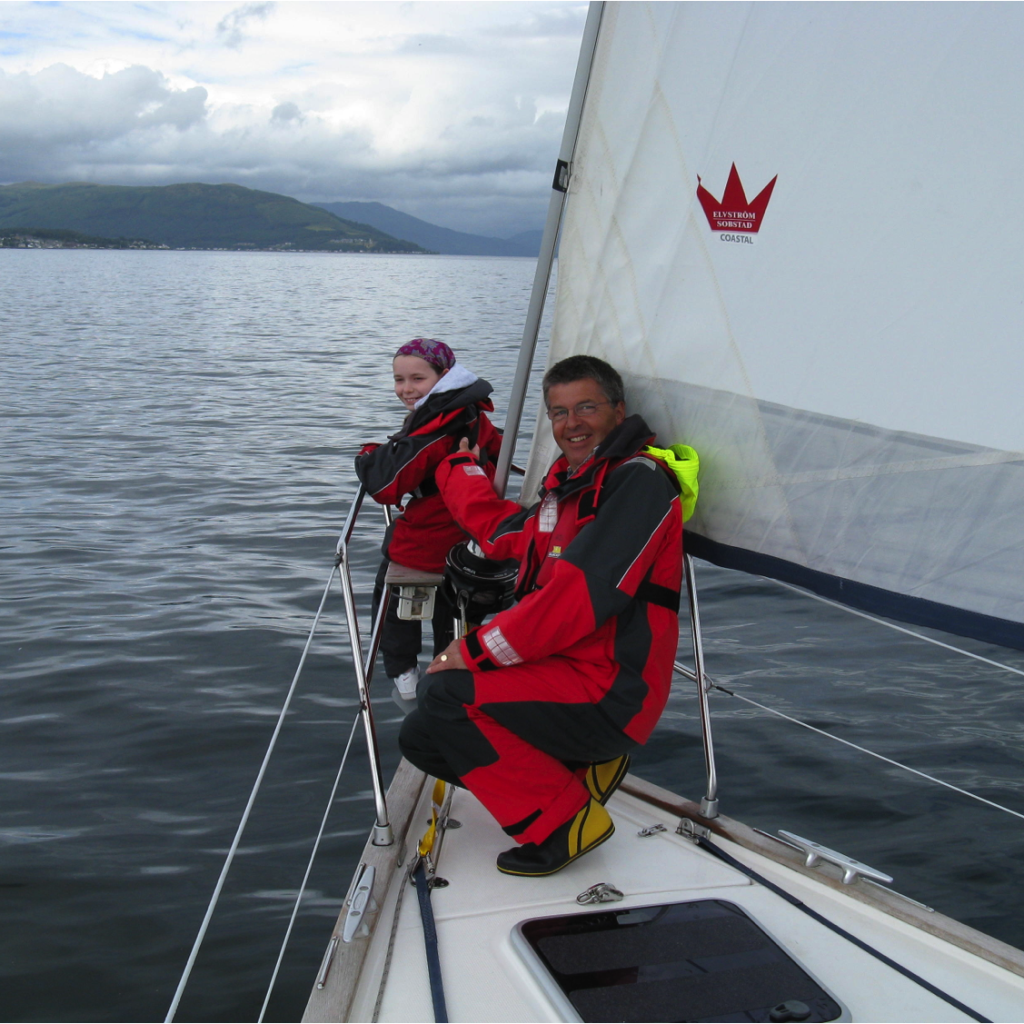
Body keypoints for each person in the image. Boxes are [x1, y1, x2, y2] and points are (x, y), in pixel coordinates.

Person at [399, 355, 698, 876]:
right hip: (564, 675)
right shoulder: (571, 488)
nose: (571, 423)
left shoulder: (640, 483)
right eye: (558, 413)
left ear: (618, 410)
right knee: (420, 737)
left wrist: (472, 651)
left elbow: (578, 598)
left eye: (586, 407)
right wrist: (457, 469)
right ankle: (578, 775)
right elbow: (501, 534)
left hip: (611, 690)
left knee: (446, 694)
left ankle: (563, 825)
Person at [355, 338, 503, 707]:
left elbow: (386, 487)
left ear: (444, 375)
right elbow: (498, 449)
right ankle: (451, 677)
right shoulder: (470, 412)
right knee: (453, 608)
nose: (406, 389)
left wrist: (368, 456)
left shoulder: (436, 428)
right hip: (471, 535)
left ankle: (404, 676)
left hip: (435, 540)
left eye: (417, 379)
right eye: (398, 379)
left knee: (390, 581)